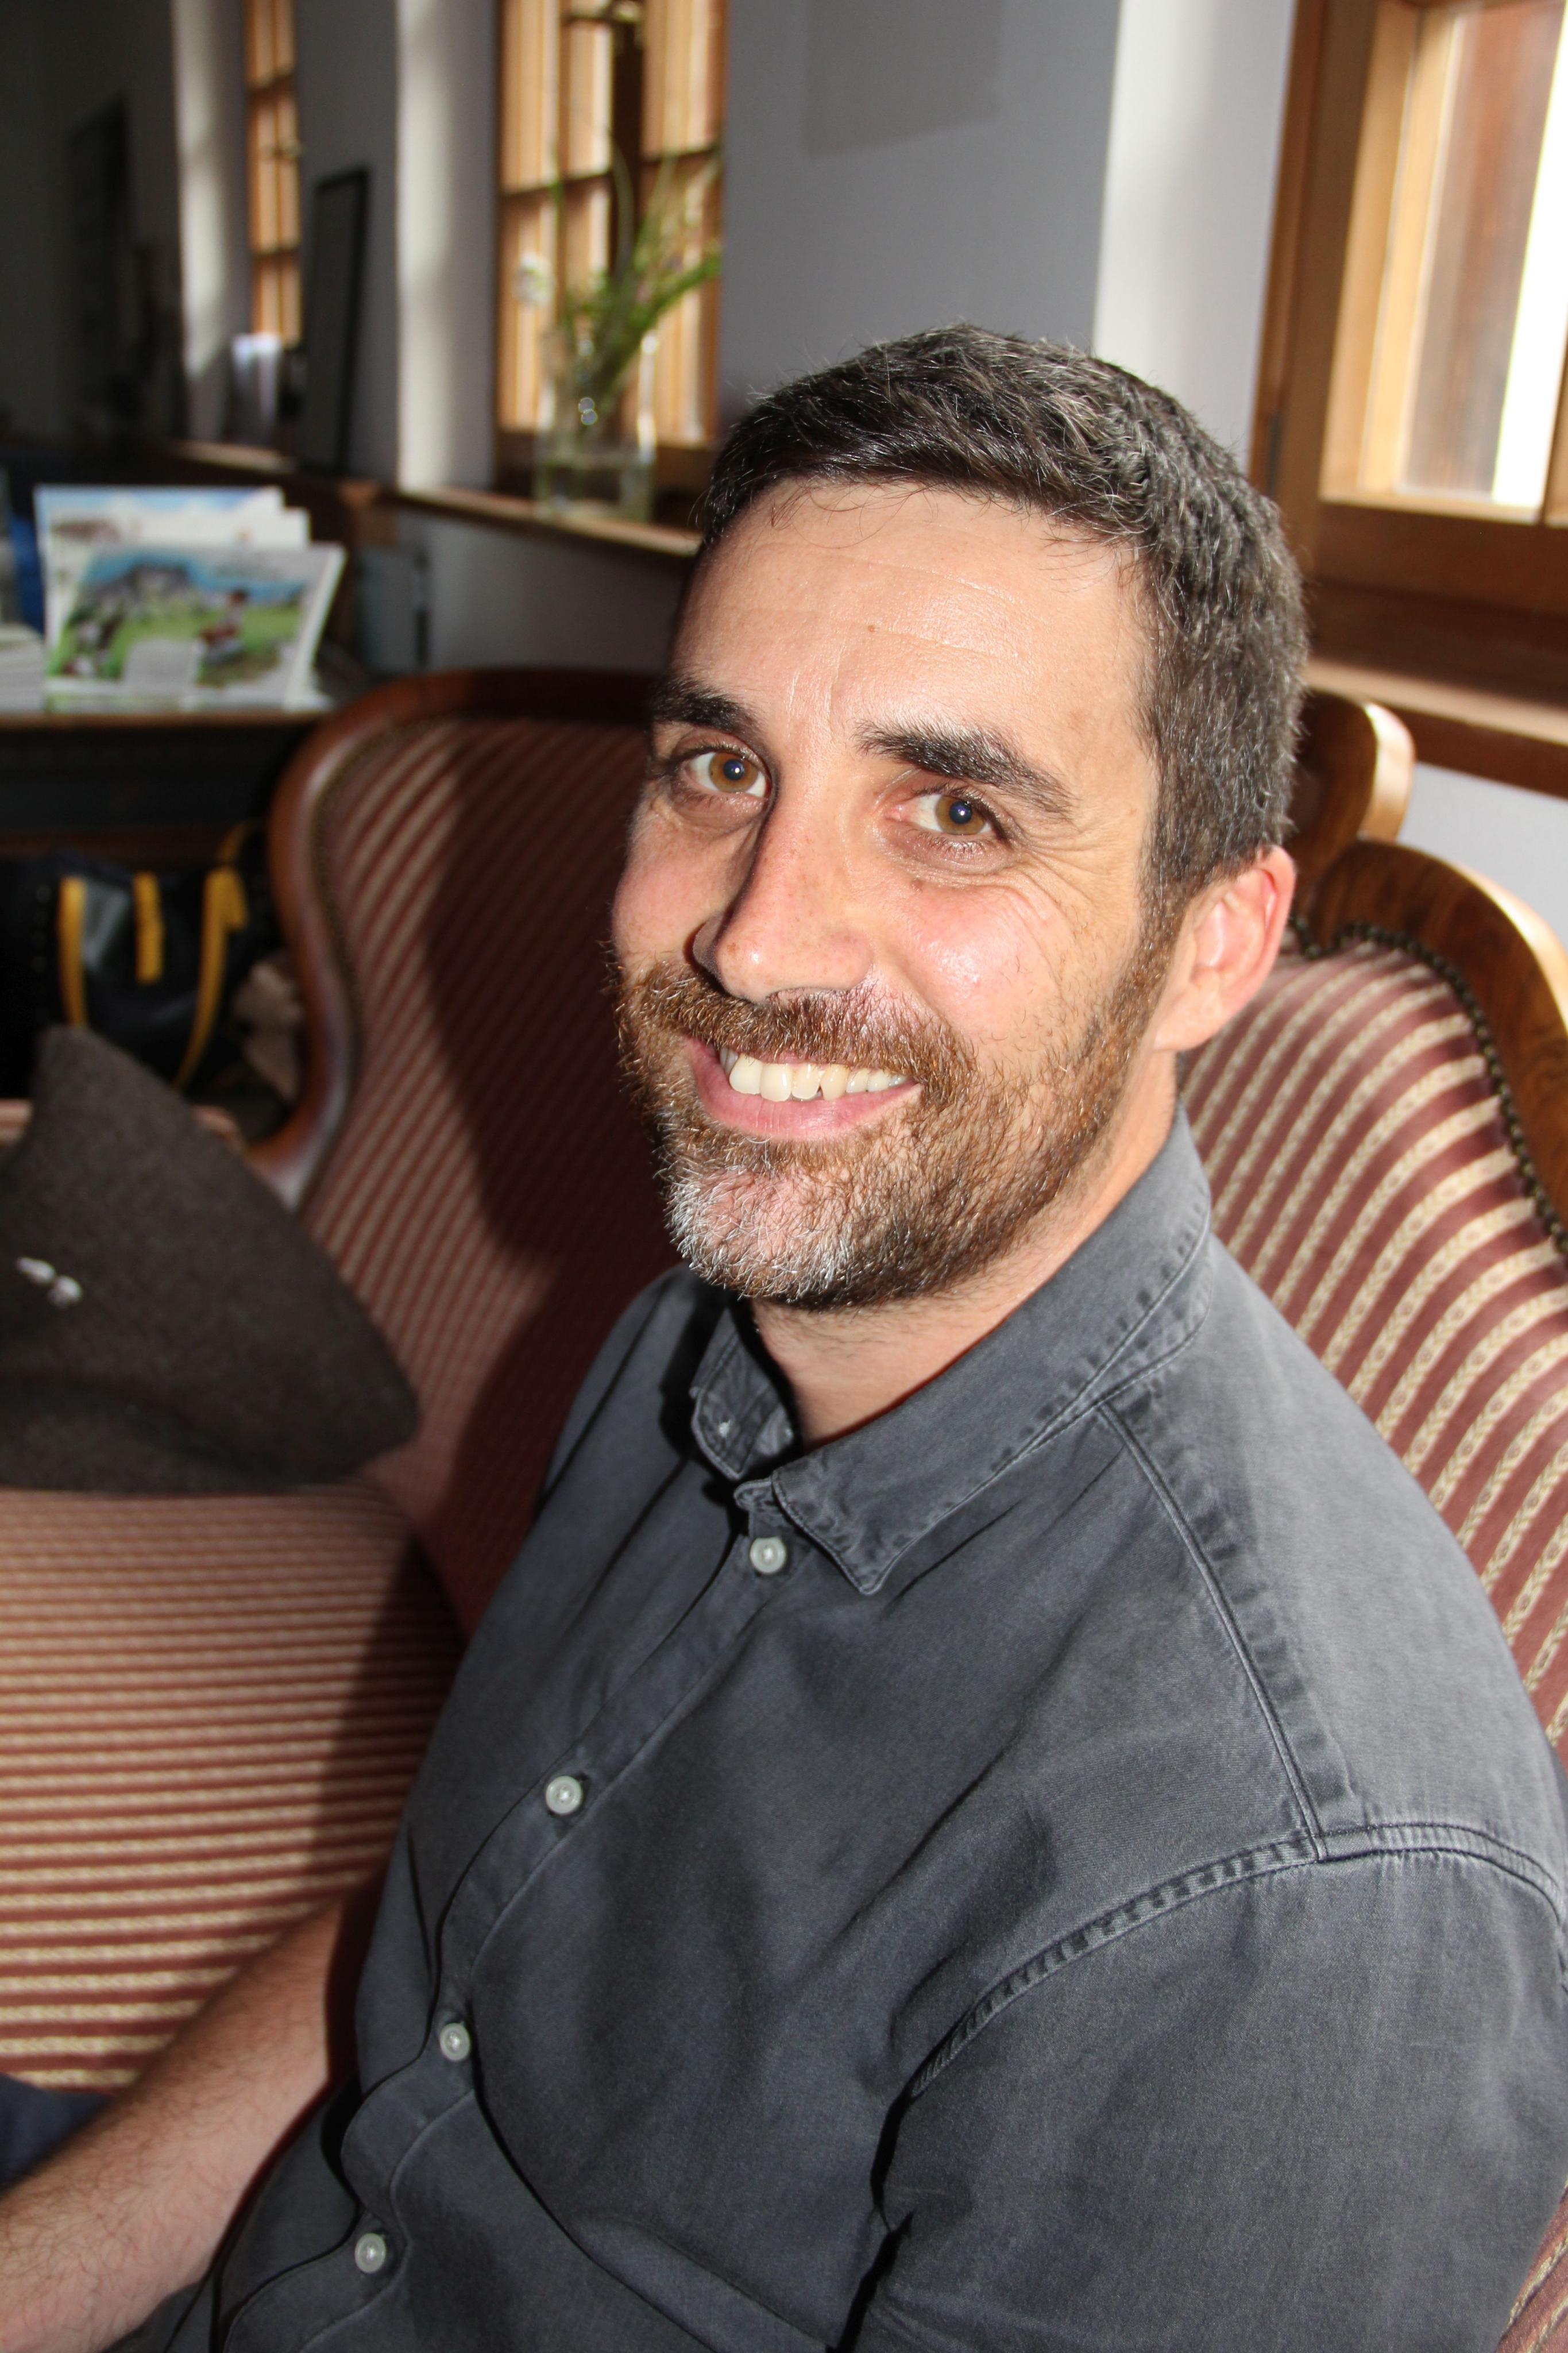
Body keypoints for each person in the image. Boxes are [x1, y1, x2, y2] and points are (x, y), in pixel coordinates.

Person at [3, 327, 1566, 2353]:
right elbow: (428, 1960)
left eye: (954, 811)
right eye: (722, 769)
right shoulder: (723, 1327)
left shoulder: (1284, 1894)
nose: (749, 938)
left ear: (1214, 942)